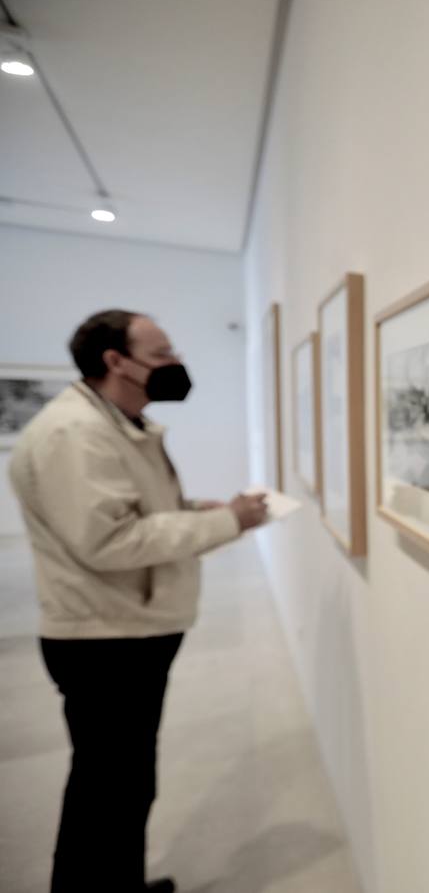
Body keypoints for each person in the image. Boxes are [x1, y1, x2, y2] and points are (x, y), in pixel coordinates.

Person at [7, 310, 269, 893]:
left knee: (123, 784)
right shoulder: (74, 433)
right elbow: (109, 541)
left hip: (125, 627)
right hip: (105, 639)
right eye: (163, 351)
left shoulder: (117, 424)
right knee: (108, 790)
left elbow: (127, 513)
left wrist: (200, 512)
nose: (175, 362)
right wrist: (228, 521)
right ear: (115, 362)